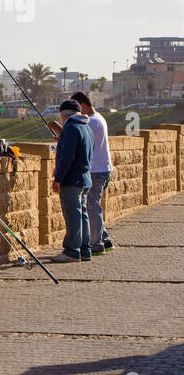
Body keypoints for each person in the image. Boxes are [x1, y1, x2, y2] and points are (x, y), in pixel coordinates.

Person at [50, 99, 93, 263]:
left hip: (71, 180)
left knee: (73, 215)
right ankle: (85, 249)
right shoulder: (86, 127)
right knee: (82, 215)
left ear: (64, 115)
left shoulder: (71, 128)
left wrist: (58, 179)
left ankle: (72, 251)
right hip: (84, 178)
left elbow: (67, 157)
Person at [72, 90, 114, 254]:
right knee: (94, 206)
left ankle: (96, 244)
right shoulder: (100, 119)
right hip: (104, 168)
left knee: (92, 207)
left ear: (82, 105)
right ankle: (105, 239)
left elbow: (77, 137)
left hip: (95, 170)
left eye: (76, 108)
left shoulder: (90, 122)